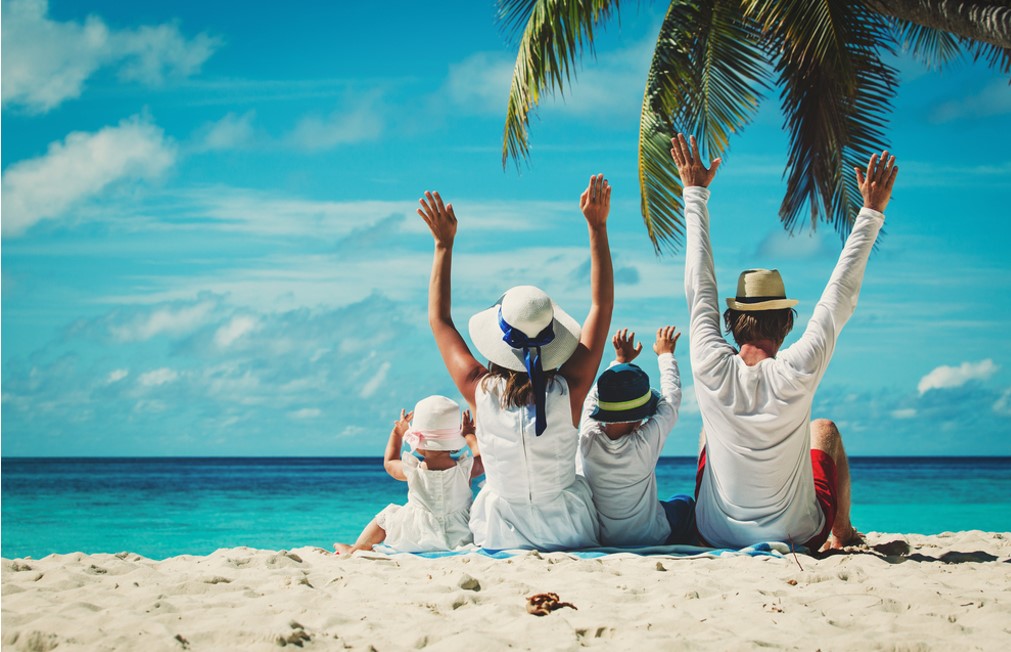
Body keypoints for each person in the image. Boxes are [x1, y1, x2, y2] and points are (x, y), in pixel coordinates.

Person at [671, 132, 898, 551]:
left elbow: (699, 286)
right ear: (787, 324)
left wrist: (695, 194)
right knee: (824, 430)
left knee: (709, 431)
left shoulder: (708, 360)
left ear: (731, 321)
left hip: (712, 534)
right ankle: (842, 533)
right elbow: (838, 299)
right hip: (797, 535)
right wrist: (870, 213)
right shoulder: (798, 369)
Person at [417, 174, 614, 550]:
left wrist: (443, 246)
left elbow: (439, 320)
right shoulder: (569, 390)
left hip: (499, 531)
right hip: (568, 529)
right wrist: (597, 227)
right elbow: (601, 306)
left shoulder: (479, 388)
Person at [578, 326, 696, 546]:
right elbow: (671, 400)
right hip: (651, 536)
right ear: (641, 417)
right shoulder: (644, 444)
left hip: (604, 538)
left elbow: (592, 399)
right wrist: (666, 354)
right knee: (684, 503)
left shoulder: (588, 439)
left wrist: (619, 360)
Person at [333, 396, 478, 555]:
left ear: (419, 445)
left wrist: (397, 433)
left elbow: (390, 462)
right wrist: (470, 435)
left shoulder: (413, 470)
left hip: (416, 535)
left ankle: (356, 548)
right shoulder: (465, 469)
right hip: (460, 534)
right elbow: (483, 459)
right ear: (454, 443)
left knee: (388, 515)